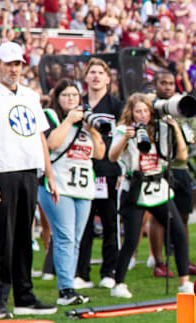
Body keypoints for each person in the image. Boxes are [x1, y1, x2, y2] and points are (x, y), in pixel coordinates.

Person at [0, 41, 59, 319]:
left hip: (29, 172)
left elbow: (40, 137)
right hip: (2, 172)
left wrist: (50, 174)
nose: (14, 69)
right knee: (3, 239)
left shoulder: (31, 96)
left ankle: (24, 296)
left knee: (24, 236)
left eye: (18, 63)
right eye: (9, 63)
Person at [108, 93, 191, 297]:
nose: (142, 115)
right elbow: (112, 157)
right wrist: (126, 139)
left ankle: (184, 282)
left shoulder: (160, 129)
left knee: (178, 233)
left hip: (158, 187)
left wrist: (176, 130)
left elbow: (181, 156)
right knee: (132, 239)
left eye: (145, 110)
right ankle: (118, 284)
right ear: (131, 112)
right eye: (138, 111)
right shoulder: (122, 130)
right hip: (135, 188)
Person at [40, 79, 106, 305]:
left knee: (75, 239)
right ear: (57, 98)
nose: (71, 99)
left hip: (83, 188)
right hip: (57, 185)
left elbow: (99, 154)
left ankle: (69, 284)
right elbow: (51, 143)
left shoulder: (86, 121)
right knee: (65, 237)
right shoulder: (51, 116)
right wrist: (68, 120)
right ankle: (66, 289)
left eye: (75, 95)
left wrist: (94, 132)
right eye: (66, 95)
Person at [75, 58, 125, 290]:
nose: (96, 76)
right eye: (91, 72)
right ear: (85, 78)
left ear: (107, 78)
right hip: (81, 170)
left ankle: (109, 271)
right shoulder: (77, 104)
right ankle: (81, 273)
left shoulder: (116, 105)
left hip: (108, 172)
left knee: (109, 223)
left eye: (100, 72)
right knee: (82, 224)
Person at [147, 70, 196, 285]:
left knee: (183, 215)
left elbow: (194, 137)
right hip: (160, 168)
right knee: (159, 217)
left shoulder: (181, 106)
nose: (167, 87)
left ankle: (181, 259)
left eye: (170, 83)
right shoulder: (150, 106)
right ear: (155, 85)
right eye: (163, 83)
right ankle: (159, 262)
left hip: (181, 167)